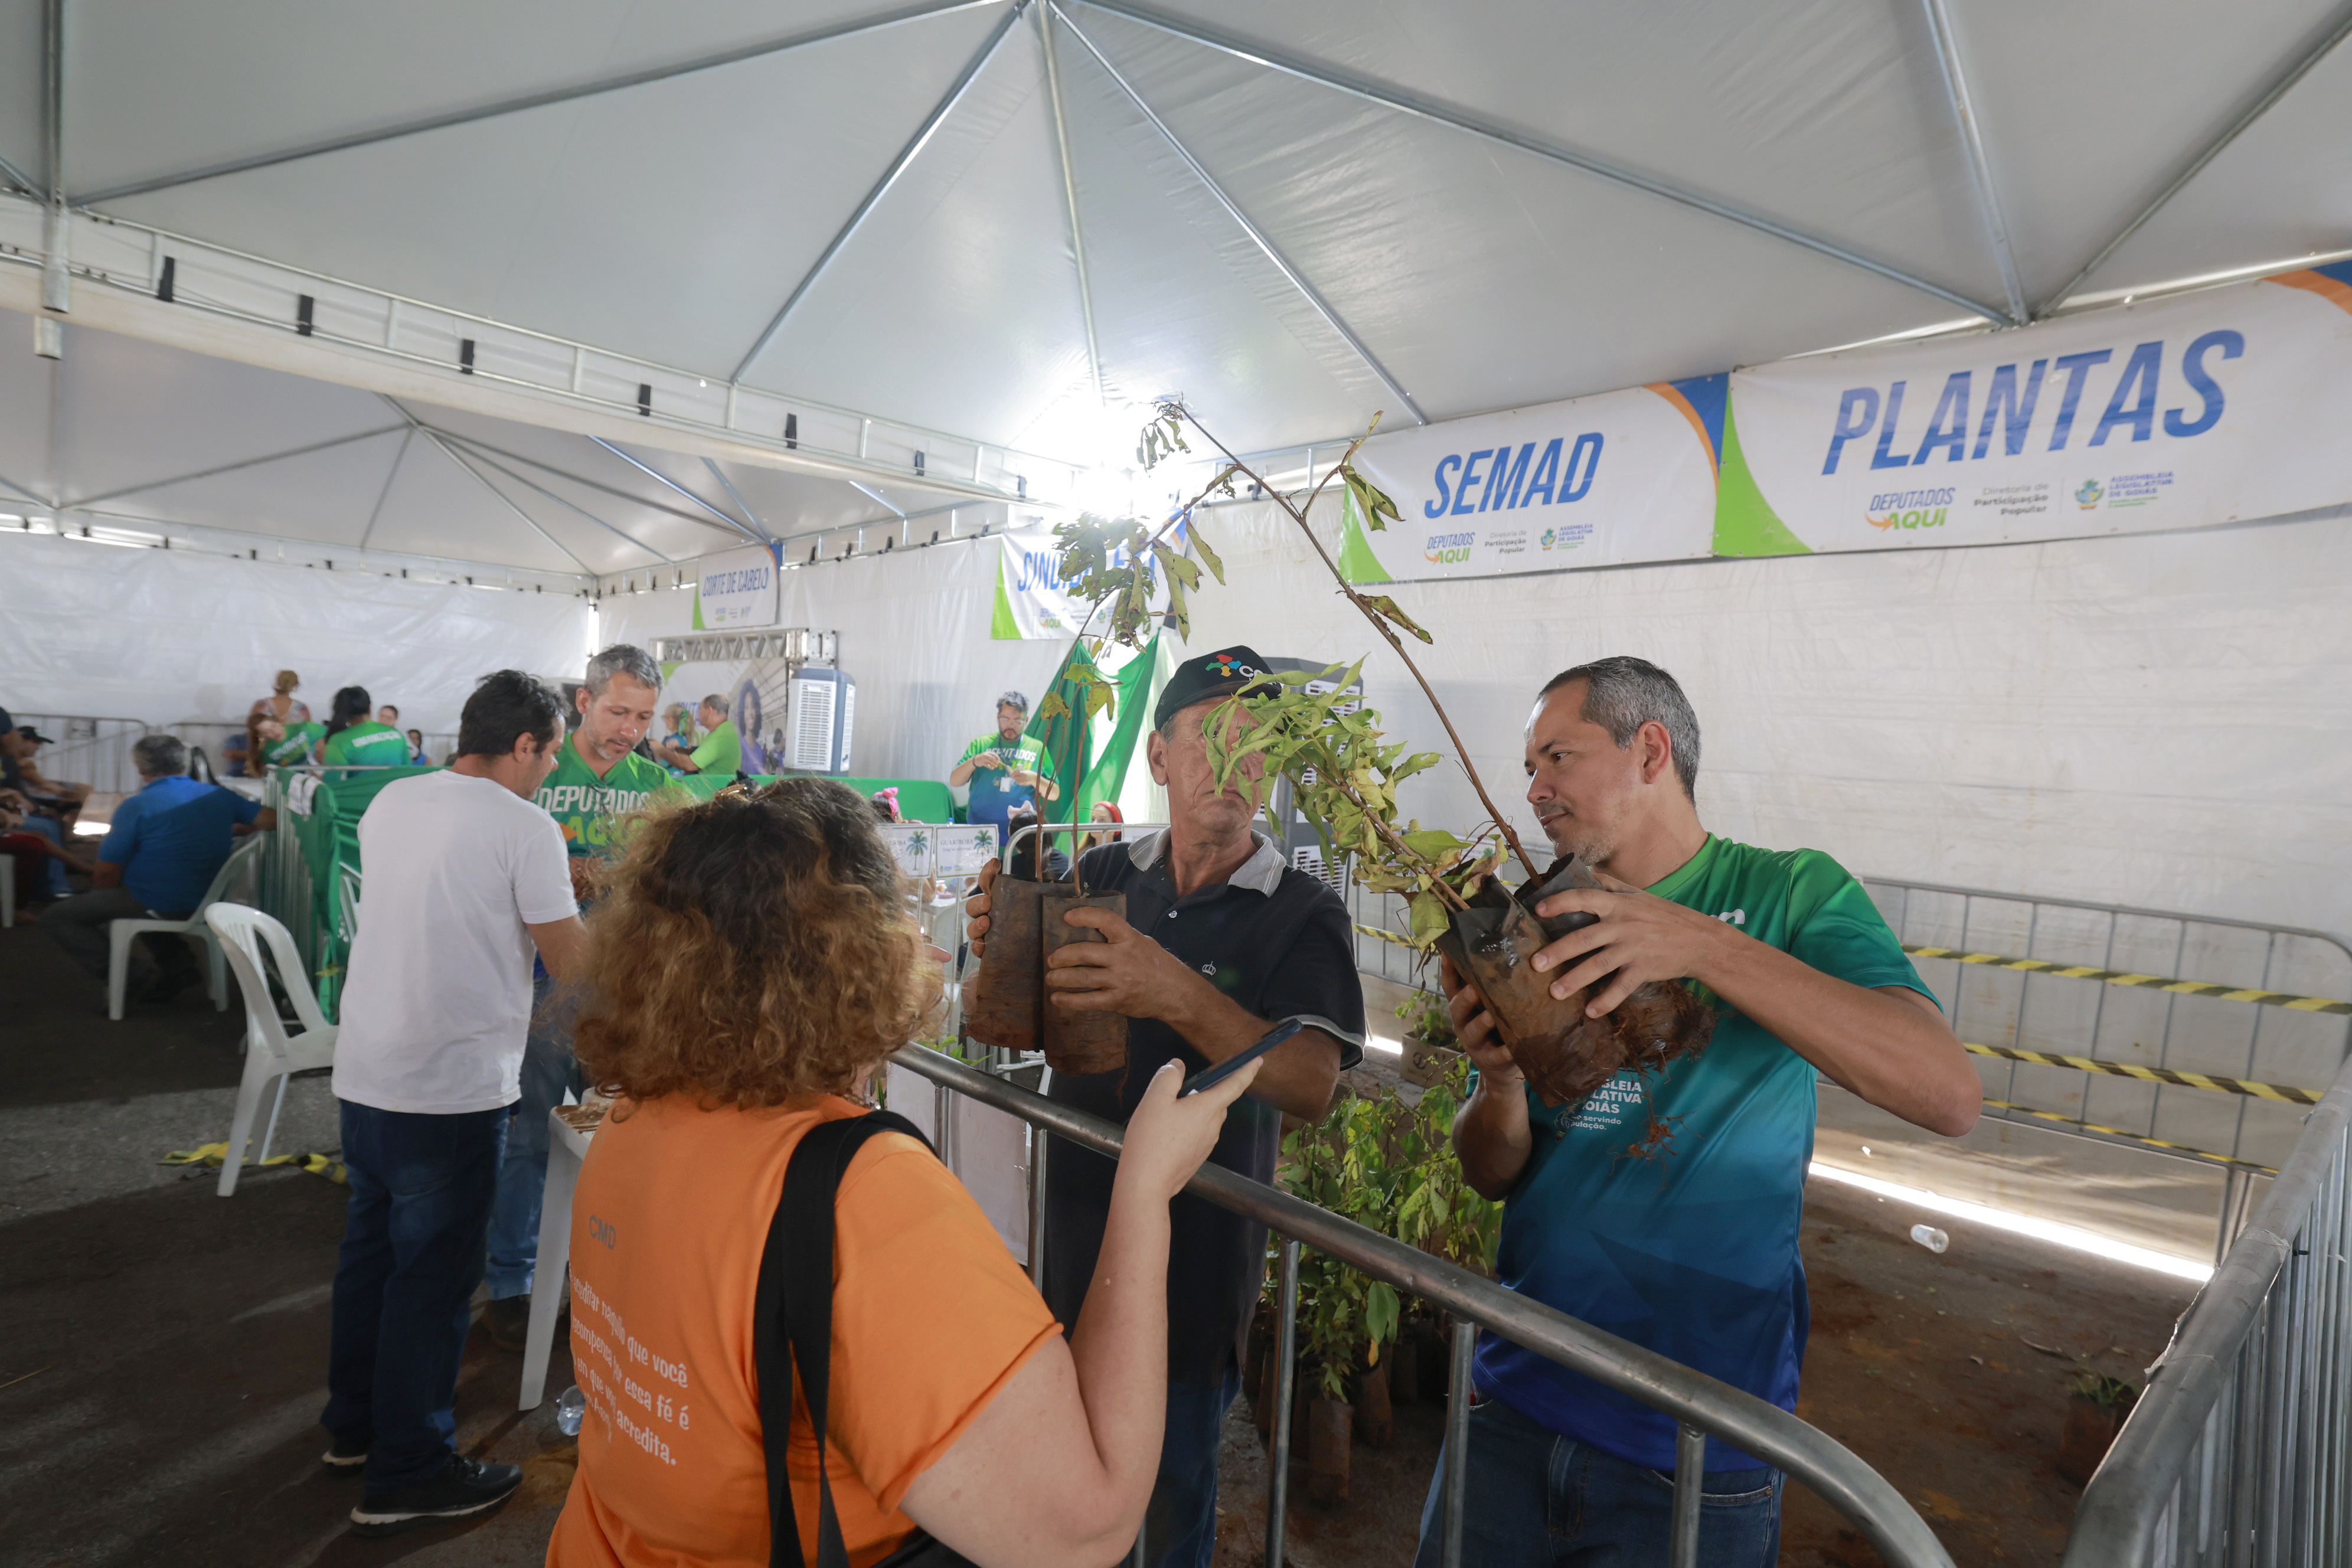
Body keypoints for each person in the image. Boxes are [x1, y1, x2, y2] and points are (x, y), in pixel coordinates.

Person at [545, 778, 1259, 1567]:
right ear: (861, 956)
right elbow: (1086, 1530)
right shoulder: (857, 1190)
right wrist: (1145, 1187)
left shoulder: (633, 1120)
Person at [1416, 656, 1980, 1568]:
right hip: (1514, 1398)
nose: (1534, 790)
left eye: (1557, 757)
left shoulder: (1792, 893)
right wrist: (1501, 1083)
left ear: (1650, 751)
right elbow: (1491, 1175)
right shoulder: (1536, 922)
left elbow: (1946, 1093)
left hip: (1699, 1439)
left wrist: (1703, 945)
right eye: (1527, 767)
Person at [965, 645, 1365, 1568]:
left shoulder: (1302, 909)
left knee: (1164, 1508)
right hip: (1066, 1242)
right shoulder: (1105, 871)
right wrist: (1000, 945)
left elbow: (1312, 1082)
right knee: (1055, 1495)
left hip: (1191, 1279)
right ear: (1157, 756)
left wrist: (1172, 989)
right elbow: (1025, 1019)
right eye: (1210, 737)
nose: (1233, 762)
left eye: (1258, 743)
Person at [323, 669, 587, 1535]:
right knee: (434, 1283)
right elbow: (572, 965)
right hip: (450, 1084)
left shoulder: (395, 799)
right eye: (551, 752)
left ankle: (355, 1428)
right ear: (524, 745)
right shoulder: (525, 826)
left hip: (369, 1069)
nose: (551, 768)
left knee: (372, 1257)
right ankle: (408, 1470)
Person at [480, 644, 672, 1349]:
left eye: (644, 718)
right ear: (584, 702)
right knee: (529, 1134)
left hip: (624, 988)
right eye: (618, 712)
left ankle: (603, 1277)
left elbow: (676, 882)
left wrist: (617, 875)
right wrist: (566, 870)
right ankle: (512, 1281)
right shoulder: (536, 770)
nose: (630, 730)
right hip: (536, 982)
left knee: (622, 1132)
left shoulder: (660, 786)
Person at [40, 733, 269, 1004]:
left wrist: (104, 895)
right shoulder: (220, 796)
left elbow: (106, 872)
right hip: (209, 898)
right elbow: (270, 820)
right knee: (141, 895)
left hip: (157, 899)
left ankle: (136, 976)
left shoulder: (135, 806)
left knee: (60, 916)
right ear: (184, 764)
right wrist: (224, 828)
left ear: (140, 769)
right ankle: (178, 965)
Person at [949, 691, 1059, 835]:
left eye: (1018, 721)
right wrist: (975, 761)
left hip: (1021, 831)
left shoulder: (1037, 748)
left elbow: (1054, 794)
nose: (1011, 726)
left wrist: (1034, 779)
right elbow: (955, 781)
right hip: (981, 830)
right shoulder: (981, 744)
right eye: (1006, 719)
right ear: (998, 717)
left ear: (1026, 720)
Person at [650, 692, 740, 779]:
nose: (698, 715)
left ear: (709, 711)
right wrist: (679, 750)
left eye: (700, 710)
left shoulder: (721, 736)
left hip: (714, 788)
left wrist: (660, 750)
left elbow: (690, 765)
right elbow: (698, 755)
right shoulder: (725, 730)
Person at [321, 686, 409, 769]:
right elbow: (408, 772)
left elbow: (334, 778)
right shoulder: (397, 735)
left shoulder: (338, 741)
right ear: (370, 708)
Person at [246, 668, 310, 770]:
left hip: (266, 756)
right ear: (296, 685)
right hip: (293, 759)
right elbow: (308, 737)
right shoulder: (302, 709)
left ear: (276, 682)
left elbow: (252, 734)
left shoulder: (261, 705)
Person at [255, 713, 325, 771]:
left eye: (274, 726)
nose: (275, 732)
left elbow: (329, 738)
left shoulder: (305, 728)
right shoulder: (268, 753)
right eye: (266, 732)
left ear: (279, 722)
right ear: (261, 736)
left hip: (322, 766)